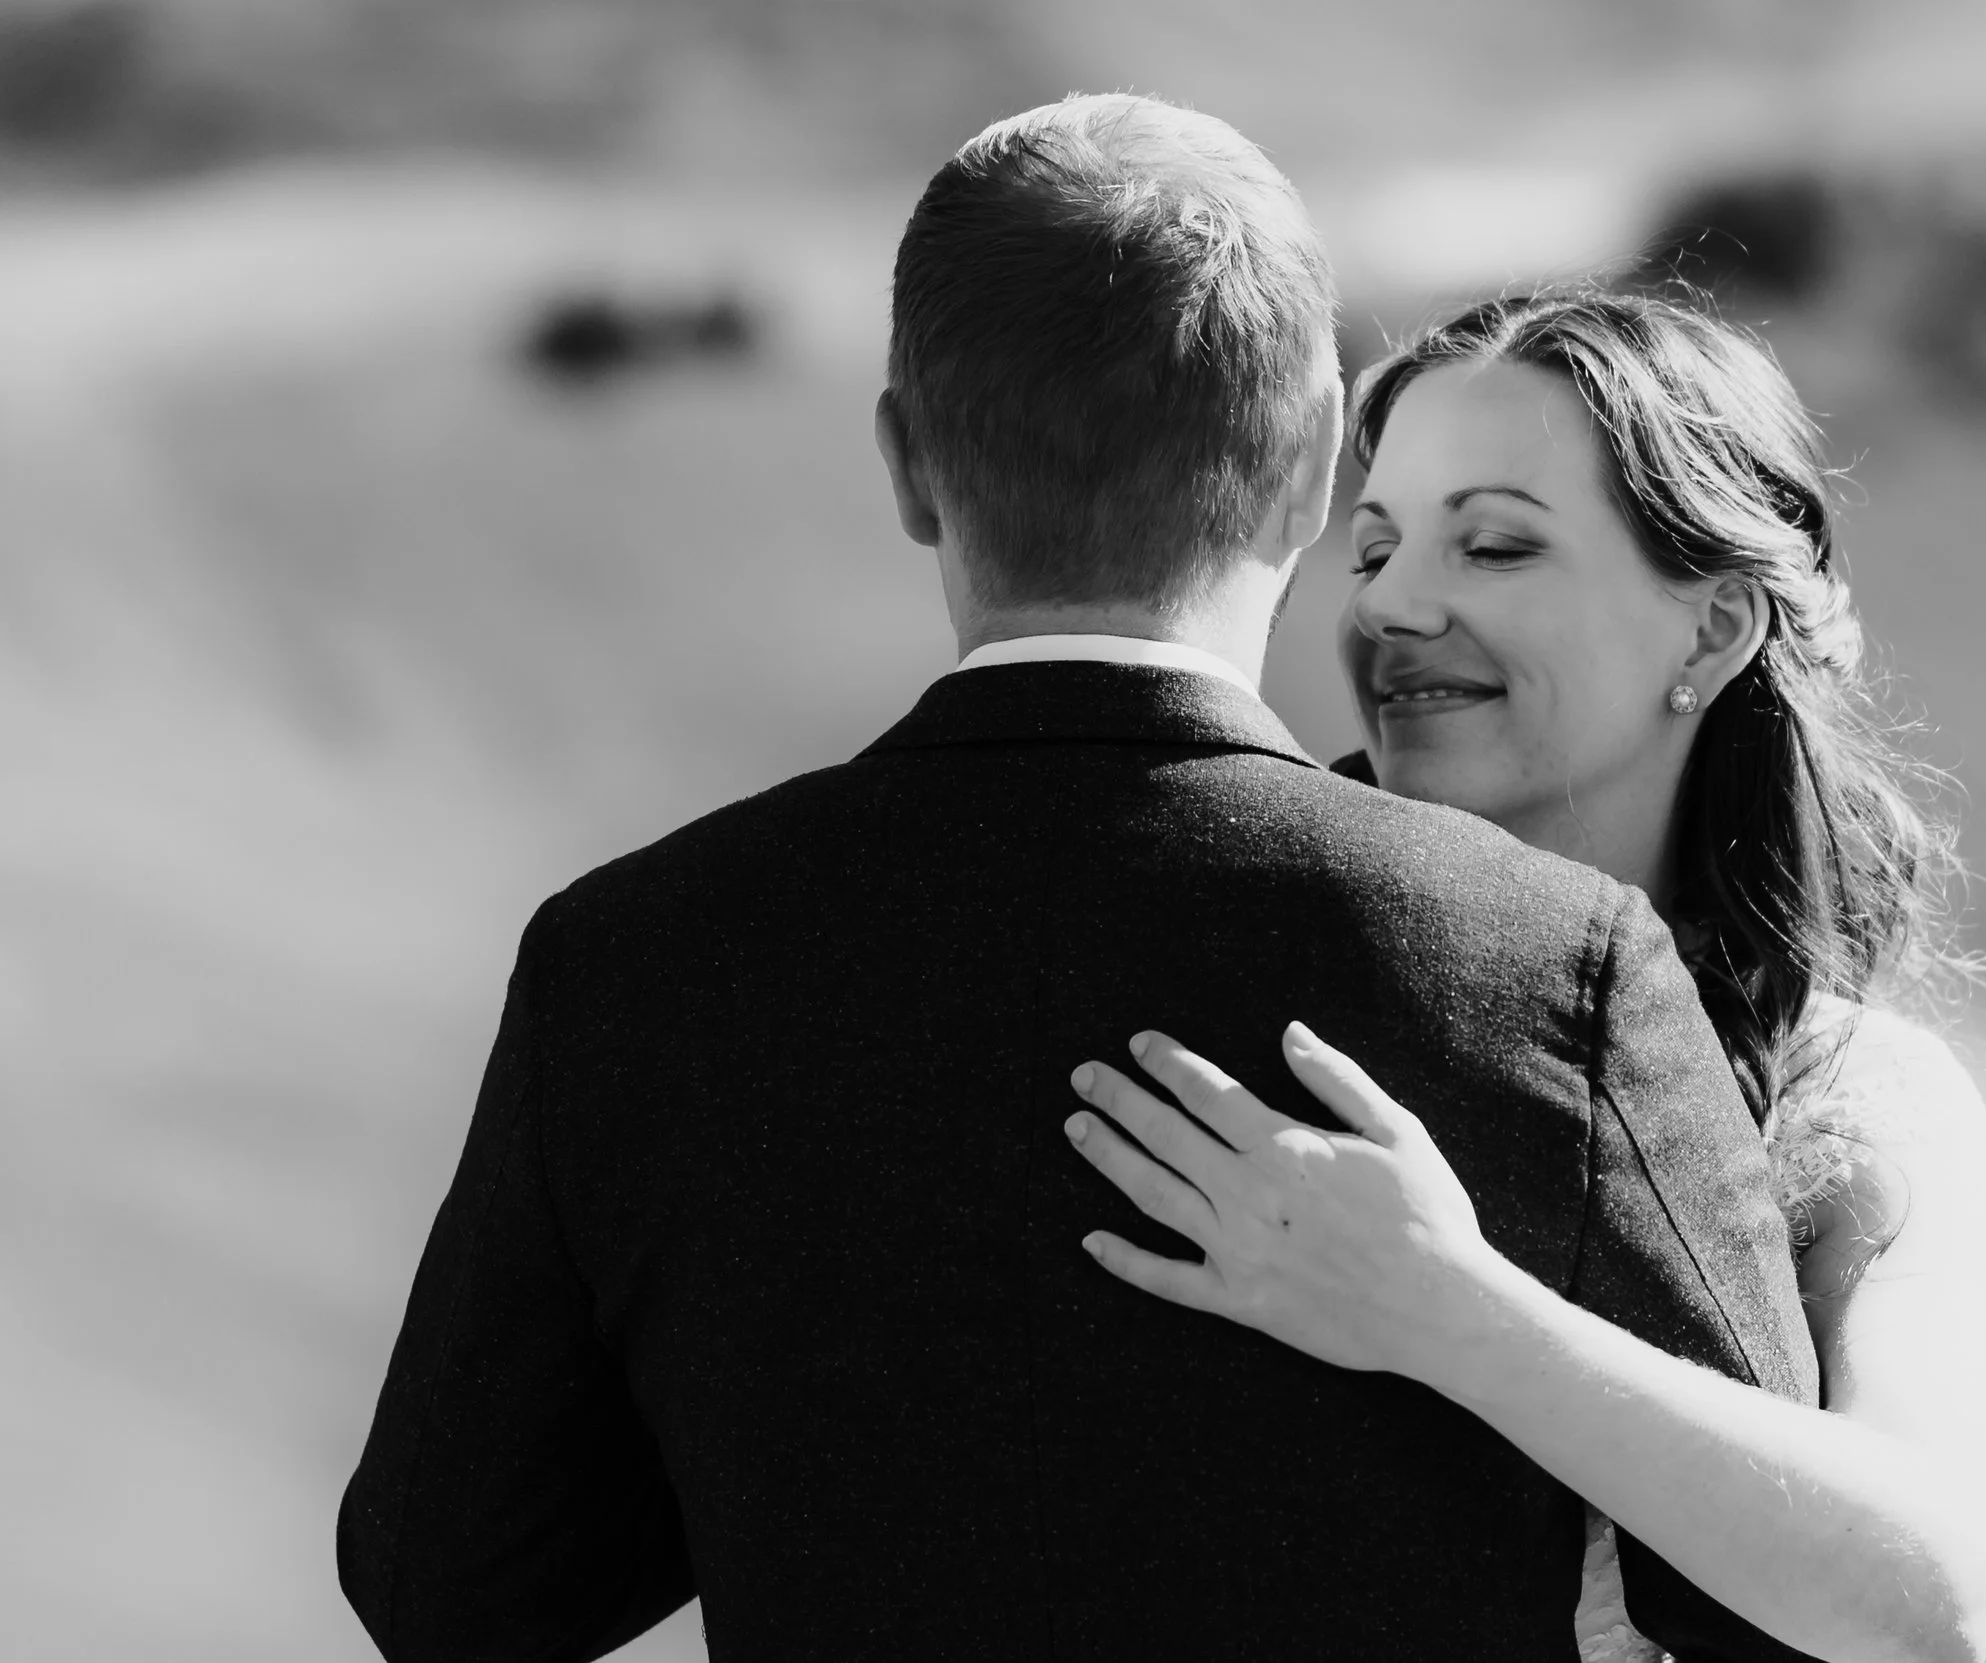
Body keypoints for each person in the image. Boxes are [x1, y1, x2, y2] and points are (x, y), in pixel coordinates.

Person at [337, 99, 1820, 1661]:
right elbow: (1776, 1607)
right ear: (1311, 464)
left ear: (911, 465)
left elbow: (450, 1585)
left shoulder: (635, 966)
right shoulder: (1553, 963)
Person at [1061, 291, 1986, 1663]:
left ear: (1711, 633)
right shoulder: (1246, 1010)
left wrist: (1448, 1308)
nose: (1395, 605)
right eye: (1374, 546)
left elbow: (1925, 1602)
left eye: (1495, 544)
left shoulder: (1853, 1094)